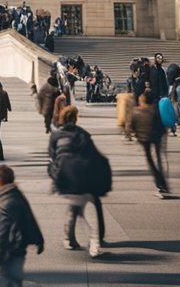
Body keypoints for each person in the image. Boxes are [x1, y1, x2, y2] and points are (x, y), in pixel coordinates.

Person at [48, 106, 108, 257]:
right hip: (81, 176)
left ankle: (69, 239)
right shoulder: (82, 134)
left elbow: (52, 157)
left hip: (63, 178)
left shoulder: (55, 136)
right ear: (75, 118)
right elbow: (93, 156)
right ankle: (95, 244)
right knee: (91, 209)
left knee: (74, 204)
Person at [0, 165, 44, 287]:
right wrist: (39, 239)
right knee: (14, 280)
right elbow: (29, 217)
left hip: (9, 251)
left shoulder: (4, 203)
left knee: (10, 280)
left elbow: (2, 232)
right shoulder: (14, 194)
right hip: (18, 249)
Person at [129, 91, 170, 197]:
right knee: (159, 159)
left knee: (151, 161)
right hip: (157, 137)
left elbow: (130, 126)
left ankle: (160, 183)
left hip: (144, 139)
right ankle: (163, 183)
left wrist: (135, 135)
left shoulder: (135, 111)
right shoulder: (155, 110)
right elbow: (160, 124)